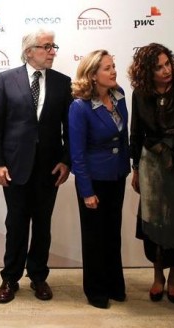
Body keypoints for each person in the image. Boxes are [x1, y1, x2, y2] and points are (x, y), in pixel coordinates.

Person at [0, 28, 72, 303]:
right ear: (29, 51)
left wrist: (66, 161)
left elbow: (69, 128)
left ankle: (38, 276)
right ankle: (10, 278)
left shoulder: (63, 82)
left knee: (43, 225)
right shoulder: (5, 79)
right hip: (14, 167)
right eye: (46, 47)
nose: (52, 51)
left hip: (49, 168)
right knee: (16, 224)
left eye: (53, 46)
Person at [128, 43, 174, 304]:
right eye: (158, 67)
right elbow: (136, 132)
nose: (166, 70)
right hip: (149, 163)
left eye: (168, 64)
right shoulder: (140, 93)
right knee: (153, 220)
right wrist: (135, 169)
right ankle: (157, 276)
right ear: (147, 71)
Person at [68, 50, 130, 309]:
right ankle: (96, 290)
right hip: (93, 180)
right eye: (107, 68)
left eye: (113, 66)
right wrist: (86, 191)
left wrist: (128, 169)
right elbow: (77, 153)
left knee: (112, 234)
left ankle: (115, 284)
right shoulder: (79, 107)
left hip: (117, 176)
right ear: (93, 75)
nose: (113, 71)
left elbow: (123, 137)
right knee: (94, 238)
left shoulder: (119, 96)